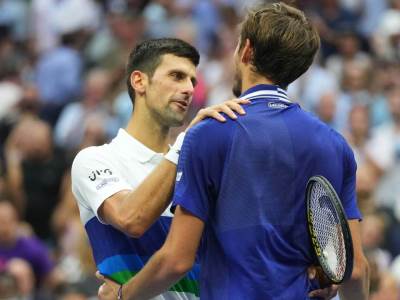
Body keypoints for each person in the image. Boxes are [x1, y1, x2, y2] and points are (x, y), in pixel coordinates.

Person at [97, 3, 370, 300]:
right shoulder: (336, 145)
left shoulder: (209, 133)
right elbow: (355, 270)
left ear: (247, 51)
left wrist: (123, 296)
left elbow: (176, 260)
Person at [71, 37, 249, 299]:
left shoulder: (200, 167)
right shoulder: (95, 160)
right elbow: (131, 219)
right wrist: (186, 143)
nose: (189, 89)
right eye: (177, 76)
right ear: (139, 81)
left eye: (192, 81)